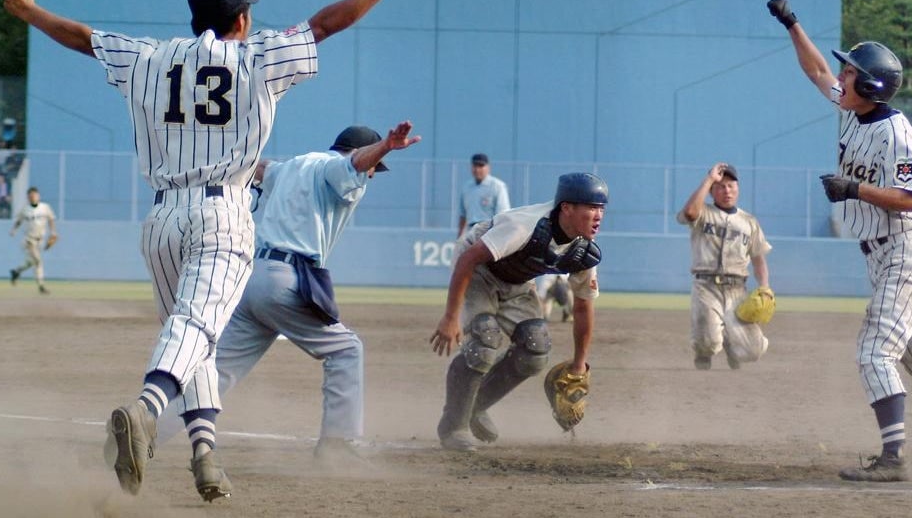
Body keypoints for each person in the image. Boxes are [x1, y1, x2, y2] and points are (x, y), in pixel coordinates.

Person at [4, 0, 415, 500]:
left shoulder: (148, 59)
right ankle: (146, 409)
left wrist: (30, 11)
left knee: (198, 336)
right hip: (222, 214)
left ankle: (204, 453)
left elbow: (80, 38)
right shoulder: (258, 60)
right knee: (197, 328)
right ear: (241, 20)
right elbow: (324, 24)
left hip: (161, 218)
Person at [768, 0, 912, 482]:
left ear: (871, 85)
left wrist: (854, 189)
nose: (842, 76)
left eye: (851, 72)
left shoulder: (899, 135)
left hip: (906, 250)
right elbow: (815, 70)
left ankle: (894, 458)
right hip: (882, 255)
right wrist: (792, 22)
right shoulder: (851, 109)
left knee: (875, 351)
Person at [152, 121, 421, 485]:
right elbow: (355, 165)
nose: (374, 174)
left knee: (215, 373)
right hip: (285, 280)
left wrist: (210, 147)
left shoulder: (293, 166)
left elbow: (257, 167)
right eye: (376, 167)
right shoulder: (335, 167)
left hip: (252, 277)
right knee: (346, 350)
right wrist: (386, 146)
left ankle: (146, 431)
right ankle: (337, 446)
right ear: (357, 152)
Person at [430, 173, 606, 451]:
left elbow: (583, 306)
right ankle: (454, 426)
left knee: (536, 352)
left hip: (517, 281)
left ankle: (474, 406)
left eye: (601, 208)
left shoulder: (583, 251)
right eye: (591, 207)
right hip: (479, 271)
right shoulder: (525, 226)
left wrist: (579, 365)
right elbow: (469, 259)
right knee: (485, 342)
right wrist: (451, 317)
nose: (598, 215)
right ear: (567, 208)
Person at [678, 163, 772, 371]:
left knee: (752, 351)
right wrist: (709, 179)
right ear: (712, 192)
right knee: (709, 342)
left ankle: (732, 344)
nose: (726, 190)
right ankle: (704, 353)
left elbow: (758, 259)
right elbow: (690, 213)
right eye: (720, 186)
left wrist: (765, 287)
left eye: (730, 186)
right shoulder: (703, 212)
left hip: (737, 289)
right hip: (706, 287)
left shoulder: (749, 221)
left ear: (737, 188)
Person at [8, 186, 56, 293]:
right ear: (28, 198)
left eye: (34, 195)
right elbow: (19, 221)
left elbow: (51, 218)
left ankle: (16, 272)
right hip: (29, 240)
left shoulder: (45, 207)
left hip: (40, 240)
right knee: (38, 261)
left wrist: (53, 232)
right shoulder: (25, 209)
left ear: (38, 196)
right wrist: (13, 230)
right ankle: (41, 286)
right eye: (30, 196)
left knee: (30, 262)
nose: (33, 197)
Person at [457, 153, 511, 237]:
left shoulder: (497, 186)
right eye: (475, 166)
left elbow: (503, 214)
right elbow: (463, 215)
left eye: (481, 166)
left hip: (489, 231)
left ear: (488, 168)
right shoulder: (467, 187)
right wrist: (459, 236)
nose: (477, 169)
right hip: (471, 231)